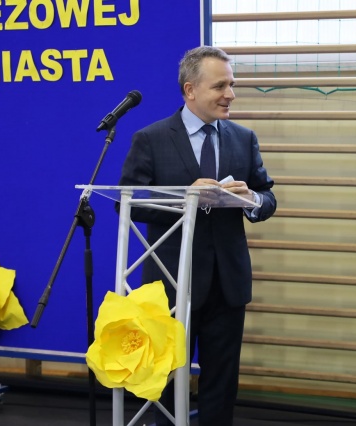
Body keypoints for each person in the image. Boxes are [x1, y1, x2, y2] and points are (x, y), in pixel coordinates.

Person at [117, 45, 277, 426]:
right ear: (190, 90)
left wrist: (252, 199)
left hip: (227, 284)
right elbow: (129, 203)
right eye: (220, 86)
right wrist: (184, 198)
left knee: (221, 385)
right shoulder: (151, 139)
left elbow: (267, 197)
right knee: (167, 383)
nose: (230, 94)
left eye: (232, 85)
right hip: (170, 284)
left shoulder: (244, 138)